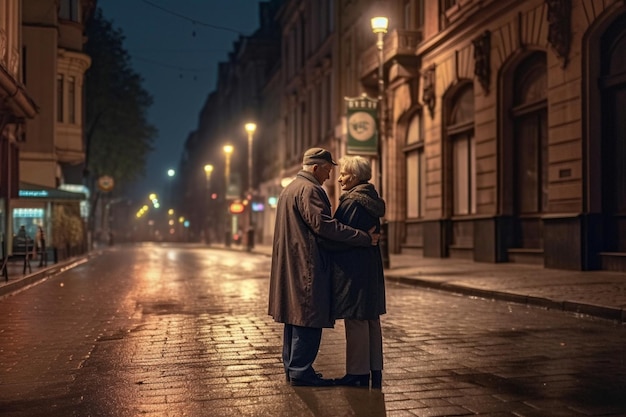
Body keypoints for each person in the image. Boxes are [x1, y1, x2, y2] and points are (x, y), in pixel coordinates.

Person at [268, 147, 380, 387]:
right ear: (316, 168)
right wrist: (362, 237)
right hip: (307, 264)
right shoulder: (310, 190)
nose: (330, 176)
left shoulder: (290, 189)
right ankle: (301, 370)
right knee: (308, 317)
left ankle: (293, 366)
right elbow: (324, 226)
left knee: (294, 317)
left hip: (292, 262)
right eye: (328, 170)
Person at [330, 156, 386, 390]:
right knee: (370, 318)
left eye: (343, 174)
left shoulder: (352, 202)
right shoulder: (371, 198)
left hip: (354, 269)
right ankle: (374, 369)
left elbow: (340, 236)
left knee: (356, 319)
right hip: (369, 266)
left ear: (353, 175)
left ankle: (357, 373)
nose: (339, 178)